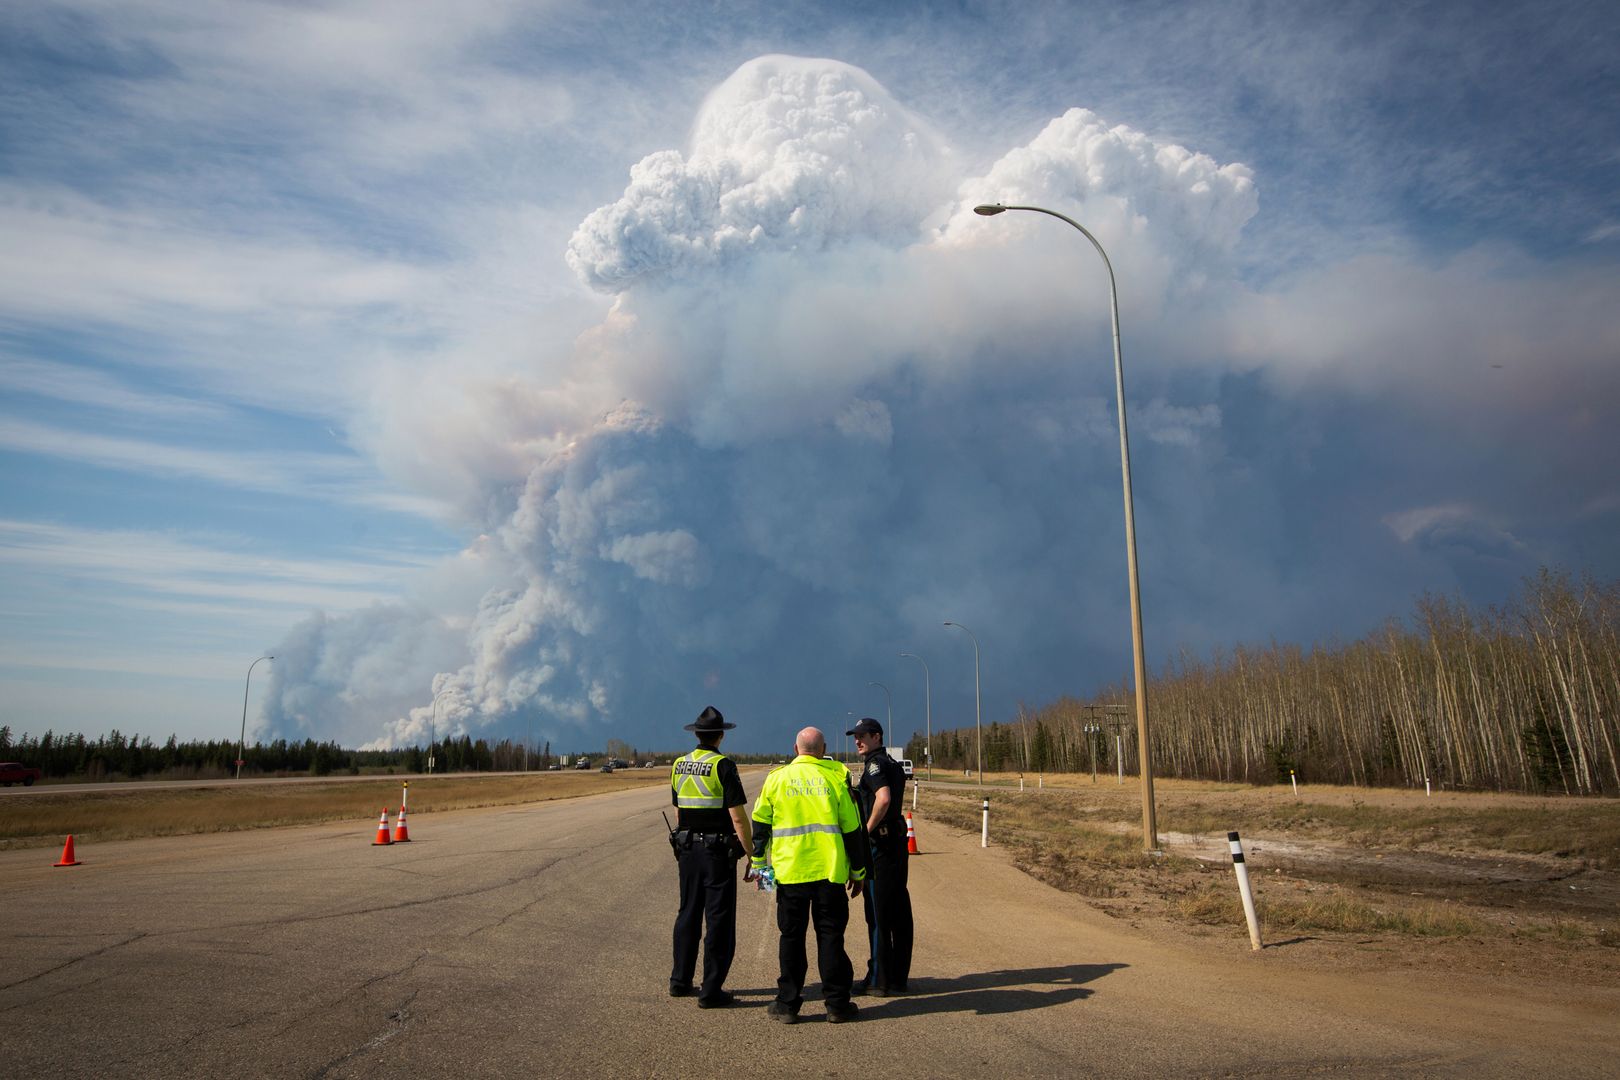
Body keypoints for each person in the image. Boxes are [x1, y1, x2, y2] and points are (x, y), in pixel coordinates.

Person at [750, 726, 870, 1024]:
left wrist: (759, 865)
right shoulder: (835, 777)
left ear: (795, 749)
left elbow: (760, 825)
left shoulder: (776, 779)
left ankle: (788, 1004)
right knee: (830, 938)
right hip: (829, 873)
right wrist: (859, 871)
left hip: (790, 875)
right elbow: (852, 830)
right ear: (823, 748)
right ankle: (837, 1005)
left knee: (791, 937)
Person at [669, 705, 753, 1008]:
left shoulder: (679, 765)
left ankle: (680, 980)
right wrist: (750, 854)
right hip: (717, 854)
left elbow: (679, 812)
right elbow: (738, 818)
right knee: (718, 919)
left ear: (697, 733)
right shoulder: (723, 766)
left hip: (688, 849)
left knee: (687, 913)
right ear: (720, 736)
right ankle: (710, 990)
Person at [846, 716, 913, 996]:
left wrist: (865, 831)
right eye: (855, 736)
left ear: (877, 737)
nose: (858, 741)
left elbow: (883, 798)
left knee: (878, 913)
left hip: (881, 847)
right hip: (896, 844)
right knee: (898, 911)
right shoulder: (892, 764)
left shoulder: (874, 764)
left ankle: (878, 980)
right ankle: (897, 976)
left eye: (863, 736)